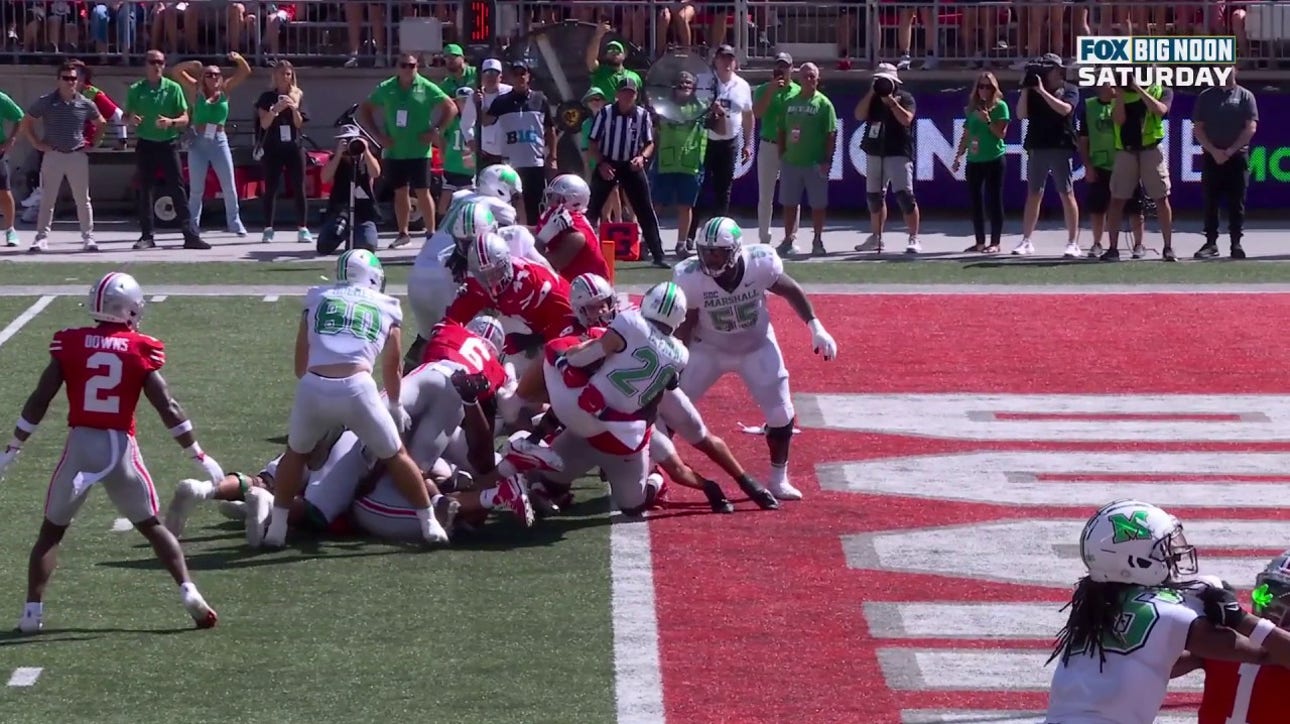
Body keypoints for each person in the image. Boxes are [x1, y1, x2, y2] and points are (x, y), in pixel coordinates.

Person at [0, 272, 225, 633]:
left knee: (51, 533)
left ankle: (31, 612)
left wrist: (14, 446)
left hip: (80, 445)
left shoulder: (70, 343)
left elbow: (40, 398)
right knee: (152, 527)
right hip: (120, 448)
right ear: (129, 309)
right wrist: (196, 452)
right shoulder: (139, 348)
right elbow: (167, 406)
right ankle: (187, 590)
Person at [1044, 499, 1290, 722]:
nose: (1173, 556)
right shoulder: (1173, 611)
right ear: (1135, 561)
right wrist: (1238, 618)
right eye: (1164, 550)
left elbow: (1149, 663)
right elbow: (1262, 652)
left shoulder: (1096, 604)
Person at [267, 250, 449, 548]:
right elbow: (393, 366)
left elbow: (300, 365)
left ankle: (276, 528)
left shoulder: (317, 298)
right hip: (357, 388)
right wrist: (395, 402)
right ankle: (428, 523)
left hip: (313, 385)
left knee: (295, 454)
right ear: (374, 277)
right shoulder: (386, 305)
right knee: (395, 455)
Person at [674, 217, 838, 501]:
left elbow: (790, 290)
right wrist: (676, 359)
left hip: (756, 346)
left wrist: (815, 326)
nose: (709, 258)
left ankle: (777, 478)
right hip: (708, 349)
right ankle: (651, 468)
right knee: (670, 405)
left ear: (735, 250)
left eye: (717, 251)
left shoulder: (760, 263)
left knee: (781, 413)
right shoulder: (690, 277)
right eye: (705, 250)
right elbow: (686, 321)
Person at [361, 51, 457, 249]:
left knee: (423, 191)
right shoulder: (386, 88)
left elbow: (451, 107)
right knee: (400, 192)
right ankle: (403, 233)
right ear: (398, 67)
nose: (407, 69)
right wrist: (378, 136)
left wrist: (437, 130)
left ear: (417, 67)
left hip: (419, 151)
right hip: (394, 150)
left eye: (411, 66)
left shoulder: (426, 87)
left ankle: (431, 234)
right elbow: (365, 109)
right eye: (404, 65)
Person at [1190, 550, 1290, 722]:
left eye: (1284, 600)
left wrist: (1239, 619)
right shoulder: (1236, 631)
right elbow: (1168, 665)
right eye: (1266, 593)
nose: (1271, 605)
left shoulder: (1244, 626)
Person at [127, 49, 207, 251]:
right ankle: (147, 236)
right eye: (153, 62)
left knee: (177, 189)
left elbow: (185, 118)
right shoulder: (136, 89)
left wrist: (171, 122)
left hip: (168, 143)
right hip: (145, 143)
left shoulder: (173, 88)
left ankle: (190, 235)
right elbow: (125, 116)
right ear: (146, 64)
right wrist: (131, 119)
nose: (157, 66)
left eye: (161, 62)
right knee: (146, 190)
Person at [22, 62, 106, 254]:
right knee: (47, 198)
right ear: (58, 80)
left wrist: (94, 143)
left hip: (77, 154)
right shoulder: (47, 101)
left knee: (82, 199)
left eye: (73, 79)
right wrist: (37, 144)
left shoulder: (85, 103)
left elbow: (100, 122)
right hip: (53, 154)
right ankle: (41, 238)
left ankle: (88, 237)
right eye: (66, 78)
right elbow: (27, 121)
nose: (70, 82)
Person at [586, 77, 668, 269]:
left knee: (644, 209)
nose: (627, 96)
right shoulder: (605, 114)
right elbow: (592, 143)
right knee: (592, 209)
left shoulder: (642, 115)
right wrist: (601, 164)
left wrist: (642, 158)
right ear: (617, 94)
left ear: (636, 95)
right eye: (624, 92)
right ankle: (585, 252)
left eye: (631, 93)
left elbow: (649, 143)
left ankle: (657, 253)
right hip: (608, 163)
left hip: (631, 165)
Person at [170, 52, 252, 238]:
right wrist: (191, 63)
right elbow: (175, 72)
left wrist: (238, 59)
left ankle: (234, 222)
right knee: (197, 188)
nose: (213, 77)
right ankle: (193, 225)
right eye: (209, 74)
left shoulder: (225, 90)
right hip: (198, 141)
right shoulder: (196, 89)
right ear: (203, 78)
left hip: (219, 140)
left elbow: (245, 71)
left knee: (229, 185)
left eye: (216, 74)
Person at [685, 44, 753, 251]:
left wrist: (748, 143)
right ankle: (689, 234)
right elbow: (690, 109)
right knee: (698, 187)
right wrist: (709, 108)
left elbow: (749, 115)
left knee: (723, 190)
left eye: (730, 58)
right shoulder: (705, 82)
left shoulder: (742, 85)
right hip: (705, 140)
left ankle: (719, 235)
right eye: (723, 58)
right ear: (715, 60)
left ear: (735, 62)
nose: (726, 62)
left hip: (729, 142)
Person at [1101, 77, 1175, 262]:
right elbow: (1118, 119)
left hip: (1151, 149)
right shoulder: (1117, 93)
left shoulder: (1161, 90)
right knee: (1117, 199)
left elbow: (1160, 110)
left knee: (1161, 197)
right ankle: (1112, 248)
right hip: (1126, 151)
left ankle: (1168, 247)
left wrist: (1138, 88)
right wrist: (1119, 93)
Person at [1015, 54, 1081, 257]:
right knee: (1034, 193)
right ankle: (1026, 240)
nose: (1049, 73)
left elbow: (1065, 109)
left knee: (1066, 192)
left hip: (1060, 145)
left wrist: (1042, 92)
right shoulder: (1034, 90)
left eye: (1051, 69)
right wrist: (1027, 90)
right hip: (1038, 144)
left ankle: (1073, 242)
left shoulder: (1069, 89)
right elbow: (1021, 114)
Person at [852, 62, 918, 256]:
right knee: (874, 197)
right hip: (875, 152)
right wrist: (872, 93)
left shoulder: (905, 97)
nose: (882, 83)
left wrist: (892, 102)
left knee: (905, 197)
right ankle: (876, 236)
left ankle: (913, 237)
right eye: (879, 80)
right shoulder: (872, 99)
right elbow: (858, 115)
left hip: (897, 151)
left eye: (885, 80)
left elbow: (907, 119)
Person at [1192, 67, 1258, 260]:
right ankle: (1211, 243)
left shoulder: (1246, 96)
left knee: (1237, 202)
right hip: (1212, 158)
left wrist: (1230, 151)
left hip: (1237, 158)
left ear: (1235, 70)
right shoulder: (1206, 96)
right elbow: (1198, 128)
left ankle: (1236, 243)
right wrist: (1214, 151)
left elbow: (1250, 127)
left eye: (1227, 68)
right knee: (1211, 201)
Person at [1078, 83, 1145, 259]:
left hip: (1126, 161)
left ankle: (1138, 244)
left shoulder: (1127, 101)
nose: (1112, 86)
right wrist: (1088, 166)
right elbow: (1083, 140)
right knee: (1098, 208)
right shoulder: (1090, 106)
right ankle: (1097, 243)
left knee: (1135, 207)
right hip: (1101, 163)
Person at [778, 63, 837, 258]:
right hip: (791, 161)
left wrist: (827, 160)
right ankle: (788, 239)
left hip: (815, 162)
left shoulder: (824, 104)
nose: (809, 79)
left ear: (818, 79)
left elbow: (831, 134)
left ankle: (817, 239)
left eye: (812, 76)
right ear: (799, 79)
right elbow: (781, 130)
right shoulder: (789, 102)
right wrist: (782, 154)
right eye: (805, 76)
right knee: (789, 203)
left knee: (818, 204)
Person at [485, 61, 555, 224]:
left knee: (536, 204)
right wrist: (478, 100)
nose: (519, 77)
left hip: (534, 162)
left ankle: (534, 240)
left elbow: (550, 129)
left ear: (528, 76)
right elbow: (485, 121)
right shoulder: (501, 102)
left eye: (522, 73)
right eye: (515, 74)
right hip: (511, 165)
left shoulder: (539, 99)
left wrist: (553, 156)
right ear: (510, 78)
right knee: (511, 204)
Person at [651, 70, 707, 260]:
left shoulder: (701, 107)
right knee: (656, 204)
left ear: (694, 88)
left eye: (688, 84)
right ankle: (648, 241)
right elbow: (654, 132)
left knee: (685, 206)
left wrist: (718, 114)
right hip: (665, 162)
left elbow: (717, 128)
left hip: (689, 163)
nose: (684, 87)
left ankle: (681, 244)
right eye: (681, 84)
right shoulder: (662, 107)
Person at [951, 71, 1009, 253]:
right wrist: (958, 156)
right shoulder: (972, 108)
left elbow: (1001, 134)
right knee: (976, 202)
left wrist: (988, 120)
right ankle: (979, 241)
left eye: (988, 87)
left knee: (994, 200)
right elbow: (967, 134)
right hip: (974, 160)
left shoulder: (1001, 107)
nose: (984, 90)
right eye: (981, 86)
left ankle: (995, 242)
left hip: (994, 158)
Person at [255, 60, 310, 245]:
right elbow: (264, 124)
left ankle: (302, 228)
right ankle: (268, 228)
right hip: (273, 147)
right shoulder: (267, 97)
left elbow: (299, 123)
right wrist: (275, 110)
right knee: (270, 188)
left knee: (299, 187)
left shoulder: (297, 95)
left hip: (294, 146)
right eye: (281, 74)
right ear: (275, 76)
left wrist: (294, 108)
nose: (284, 78)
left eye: (288, 74)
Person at [752, 53, 799, 247]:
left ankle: (791, 236)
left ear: (792, 69)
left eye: (785, 67)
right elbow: (757, 113)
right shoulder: (763, 89)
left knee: (792, 194)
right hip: (769, 144)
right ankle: (764, 237)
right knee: (765, 194)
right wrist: (771, 90)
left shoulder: (798, 91)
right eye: (779, 67)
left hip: (791, 146)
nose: (782, 71)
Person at [317, 125, 382, 255]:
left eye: (352, 139)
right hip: (339, 212)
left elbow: (376, 173)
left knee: (367, 247)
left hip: (364, 213)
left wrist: (365, 150)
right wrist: (338, 154)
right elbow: (324, 178)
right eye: (345, 140)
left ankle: (355, 237)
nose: (349, 144)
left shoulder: (365, 160)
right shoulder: (335, 160)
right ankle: (343, 235)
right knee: (324, 246)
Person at [536, 173, 611, 281]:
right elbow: (536, 230)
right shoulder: (563, 220)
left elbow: (545, 263)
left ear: (566, 200)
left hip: (591, 293)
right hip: (575, 286)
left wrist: (539, 241)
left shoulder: (576, 236)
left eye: (552, 196)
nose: (549, 200)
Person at [575, 87, 621, 222]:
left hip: (610, 159)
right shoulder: (586, 124)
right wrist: (587, 165)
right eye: (592, 99)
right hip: (595, 162)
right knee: (599, 192)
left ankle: (619, 221)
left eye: (599, 99)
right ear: (587, 103)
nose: (595, 102)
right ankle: (605, 220)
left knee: (614, 190)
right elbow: (585, 146)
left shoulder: (610, 119)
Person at [458, 58, 512, 168]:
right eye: (487, 73)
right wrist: (470, 140)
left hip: (509, 152)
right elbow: (465, 123)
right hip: (486, 153)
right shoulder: (474, 97)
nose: (491, 77)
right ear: (482, 76)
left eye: (494, 74)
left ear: (500, 76)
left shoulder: (510, 92)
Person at [585, 29, 643, 101]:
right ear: (605, 55)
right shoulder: (599, 72)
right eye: (610, 50)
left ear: (625, 55)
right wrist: (598, 36)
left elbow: (640, 100)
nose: (614, 52)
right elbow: (591, 59)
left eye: (618, 50)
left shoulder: (634, 77)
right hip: (603, 111)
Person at [0, 86, 20, 248]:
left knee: (4, 192)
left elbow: (19, 117)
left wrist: (11, 139)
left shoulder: (1, 98)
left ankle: (10, 230)